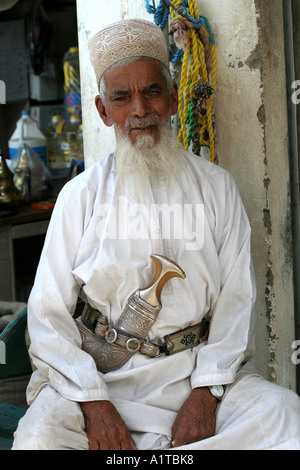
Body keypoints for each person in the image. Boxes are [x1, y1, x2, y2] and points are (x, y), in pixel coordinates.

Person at [13, 18, 300, 451]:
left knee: (284, 417)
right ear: (102, 110)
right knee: (39, 438)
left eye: (152, 91)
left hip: (194, 374)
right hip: (101, 380)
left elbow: (237, 302)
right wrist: (94, 404)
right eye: (122, 97)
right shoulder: (80, 197)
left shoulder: (216, 187)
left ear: (173, 98)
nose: (140, 110)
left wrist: (207, 392)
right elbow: (48, 315)